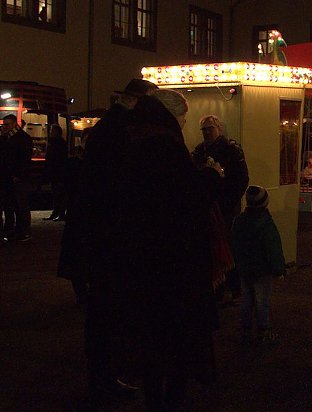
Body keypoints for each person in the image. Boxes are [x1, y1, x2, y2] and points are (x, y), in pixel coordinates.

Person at [115, 89, 222, 409]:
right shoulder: (165, 146)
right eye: (185, 119)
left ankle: (154, 396)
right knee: (175, 342)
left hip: (142, 259)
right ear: (172, 116)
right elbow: (184, 200)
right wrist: (211, 177)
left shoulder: (135, 141)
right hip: (173, 262)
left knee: (152, 343)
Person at [59, 78, 157, 402]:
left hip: (97, 232)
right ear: (138, 101)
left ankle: (104, 377)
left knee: (103, 312)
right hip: (106, 236)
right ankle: (103, 380)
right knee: (106, 313)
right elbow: (120, 184)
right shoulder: (121, 130)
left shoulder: (108, 127)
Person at [191, 114, 249, 302]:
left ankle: (234, 288)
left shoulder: (231, 150)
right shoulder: (199, 151)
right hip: (208, 206)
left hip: (226, 207)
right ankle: (218, 288)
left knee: (229, 246)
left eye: (210, 128)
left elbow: (241, 179)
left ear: (219, 128)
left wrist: (229, 201)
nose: (207, 132)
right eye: (204, 129)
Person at [231, 185, 287, 345]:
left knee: (246, 300)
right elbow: (273, 249)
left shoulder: (239, 221)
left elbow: (234, 243)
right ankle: (263, 331)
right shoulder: (265, 224)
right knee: (262, 300)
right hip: (262, 271)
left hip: (245, 269)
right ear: (265, 203)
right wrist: (279, 269)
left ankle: (245, 330)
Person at [0, 114, 33, 242]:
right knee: (12, 205)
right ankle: (15, 230)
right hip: (12, 177)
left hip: (18, 178)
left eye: (7, 124)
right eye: (4, 125)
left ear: (14, 124)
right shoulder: (13, 138)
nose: (4, 127)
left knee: (20, 205)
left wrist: (18, 175)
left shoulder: (21, 139)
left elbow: (24, 160)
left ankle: (23, 231)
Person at [44, 124, 69, 221]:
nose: (50, 132)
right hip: (56, 171)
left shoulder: (57, 143)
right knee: (56, 193)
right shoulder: (59, 142)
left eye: (51, 131)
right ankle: (57, 212)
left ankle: (59, 213)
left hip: (57, 172)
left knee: (58, 194)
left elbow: (55, 158)